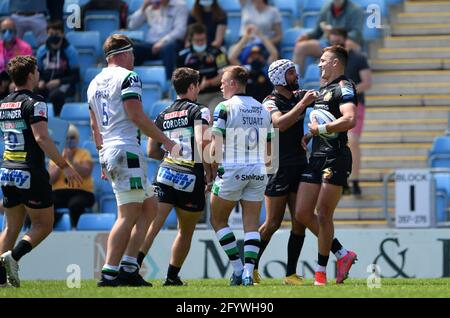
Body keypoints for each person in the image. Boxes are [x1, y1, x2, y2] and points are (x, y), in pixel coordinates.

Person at [87, 34, 179, 287]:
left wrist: (102, 158)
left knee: (150, 207)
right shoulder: (129, 77)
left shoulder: (93, 82)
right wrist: (167, 142)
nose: (135, 59)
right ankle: (109, 273)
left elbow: (94, 125)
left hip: (110, 149)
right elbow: (136, 115)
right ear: (124, 53)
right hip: (126, 148)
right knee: (127, 215)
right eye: (133, 54)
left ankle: (128, 267)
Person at [0, 55, 81, 288]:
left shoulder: (4, 102)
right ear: (29, 75)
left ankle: (1, 279)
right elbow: (41, 137)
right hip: (30, 170)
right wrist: (65, 165)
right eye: (36, 70)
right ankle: (13, 257)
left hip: (7, 169)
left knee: (11, 228)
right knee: (43, 225)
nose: (39, 73)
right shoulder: (36, 102)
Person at [136, 67, 212, 286]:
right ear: (191, 87)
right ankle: (171, 277)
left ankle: (131, 268)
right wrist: (209, 172)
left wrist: (171, 158)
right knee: (185, 231)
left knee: (152, 226)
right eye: (197, 85)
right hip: (191, 175)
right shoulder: (200, 110)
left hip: (166, 173)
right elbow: (202, 142)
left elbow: (151, 150)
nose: (198, 89)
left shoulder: (163, 114)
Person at [295, 45, 358, 286]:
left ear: (335, 63)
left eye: (323, 60)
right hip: (317, 156)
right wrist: (311, 136)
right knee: (302, 212)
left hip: (336, 157)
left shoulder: (344, 87)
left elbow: (349, 119)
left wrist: (320, 129)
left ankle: (320, 274)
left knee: (323, 213)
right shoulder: (322, 90)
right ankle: (343, 254)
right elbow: (325, 119)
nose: (319, 64)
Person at [210, 66, 273, 286]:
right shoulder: (263, 109)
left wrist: (212, 168)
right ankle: (248, 272)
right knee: (251, 226)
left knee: (217, 219)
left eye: (224, 81)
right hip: (257, 169)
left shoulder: (224, 107)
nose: (220, 85)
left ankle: (238, 269)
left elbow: (216, 142)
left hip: (233, 167)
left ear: (233, 84)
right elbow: (269, 147)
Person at [328, 28, 372, 196]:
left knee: (352, 140)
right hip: (334, 105)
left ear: (345, 40)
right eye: (332, 42)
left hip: (354, 104)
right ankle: (340, 179)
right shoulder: (330, 61)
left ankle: (354, 180)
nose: (335, 44)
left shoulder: (358, 58)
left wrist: (348, 92)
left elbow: (367, 82)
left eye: (338, 41)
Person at [293, 0, 363, 75]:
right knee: (300, 46)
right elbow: (317, 31)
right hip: (328, 42)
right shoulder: (326, 7)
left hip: (346, 43)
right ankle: (296, 81)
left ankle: (345, 79)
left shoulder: (356, 9)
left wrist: (337, 34)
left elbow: (356, 34)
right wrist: (307, 36)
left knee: (348, 45)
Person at [48, 124, 95, 228]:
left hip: (82, 192)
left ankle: (75, 229)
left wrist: (72, 161)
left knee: (75, 205)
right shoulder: (56, 155)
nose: (69, 140)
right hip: (59, 193)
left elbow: (86, 172)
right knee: (45, 202)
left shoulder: (84, 153)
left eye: (72, 138)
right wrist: (61, 162)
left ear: (77, 139)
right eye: (67, 138)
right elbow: (50, 179)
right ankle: (50, 227)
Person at [128, 0, 188, 79]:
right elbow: (131, 25)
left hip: (169, 43)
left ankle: (168, 83)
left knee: (168, 48)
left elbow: (180, 31)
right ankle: (132, 81)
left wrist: (163, 41)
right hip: (150, 45)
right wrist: (143, 7)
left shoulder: (180, 5)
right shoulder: (150, 5)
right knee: (131, 49)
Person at [177, 23, 227, 114]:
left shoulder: (218, 52)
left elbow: (224, 74)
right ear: (190, 40)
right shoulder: (183, 56)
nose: (200, 43)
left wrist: (208, 83)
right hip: (193, 97)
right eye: (197, 40)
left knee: (213, 116)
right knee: (196, 120)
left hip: (215, 95)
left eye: (202, 40)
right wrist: (196, 88)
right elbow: (179, 81)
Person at [36, 20, 80, 117]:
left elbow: (75, 77)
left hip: (64, 84)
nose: (54, 36)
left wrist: (59, 81)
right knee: (35, 93)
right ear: (47, 34)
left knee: (56, 96)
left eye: (57, 34)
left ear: (63, 34)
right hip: (46, 85)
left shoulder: (70, 51)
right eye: (51, 34)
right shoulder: (42, 51)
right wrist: (41, 80)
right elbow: (38, 72)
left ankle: (56, 120)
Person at [0, 18, 33, 99]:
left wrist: (16, 82)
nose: (7, 33)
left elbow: (28, 69)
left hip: (18, 79)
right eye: (4, 31)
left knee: (14, 87)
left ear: (15, 32)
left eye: (10, 31)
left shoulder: (25, 48)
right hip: (2, 79)